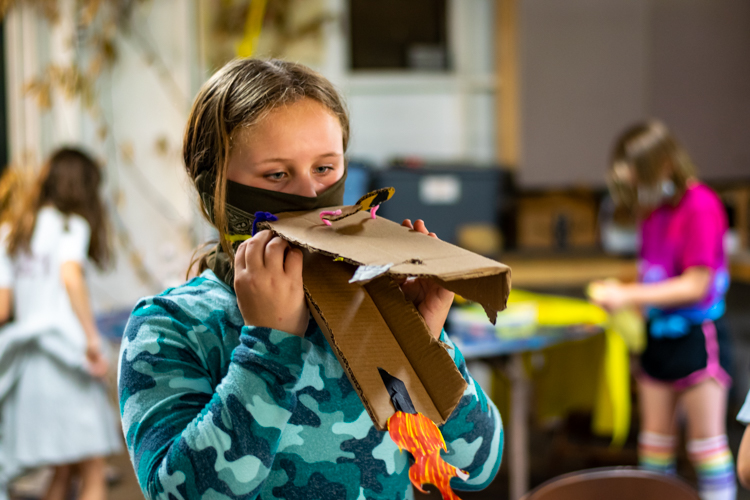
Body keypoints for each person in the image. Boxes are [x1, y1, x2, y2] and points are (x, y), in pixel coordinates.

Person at [118, 58, 504, 500]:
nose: (308, 196)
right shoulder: (171, 326)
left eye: (324, 169)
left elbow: (479, 466)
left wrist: (423, 347)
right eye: (277, 174)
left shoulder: (374, 301)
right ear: (214, 193)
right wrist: (269, 345)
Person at [590, 120, 735, 500]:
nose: (635, 184)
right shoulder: (652, 210)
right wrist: (629, 304)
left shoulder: (701, 205)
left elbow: (696, 284)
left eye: (640, 174)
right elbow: (654, 276)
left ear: (665, 164)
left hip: (697, 338)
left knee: (706, 447)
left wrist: (627, 296)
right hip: (657, 337)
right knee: (653, 447)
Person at [0, 148, 123, 500]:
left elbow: (3, 306)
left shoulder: (12, 232)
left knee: (61, 469)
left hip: (31, 365)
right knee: (93, 470)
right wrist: (92, 341)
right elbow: (70, 277)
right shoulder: (71, 225)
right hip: (69, 358)